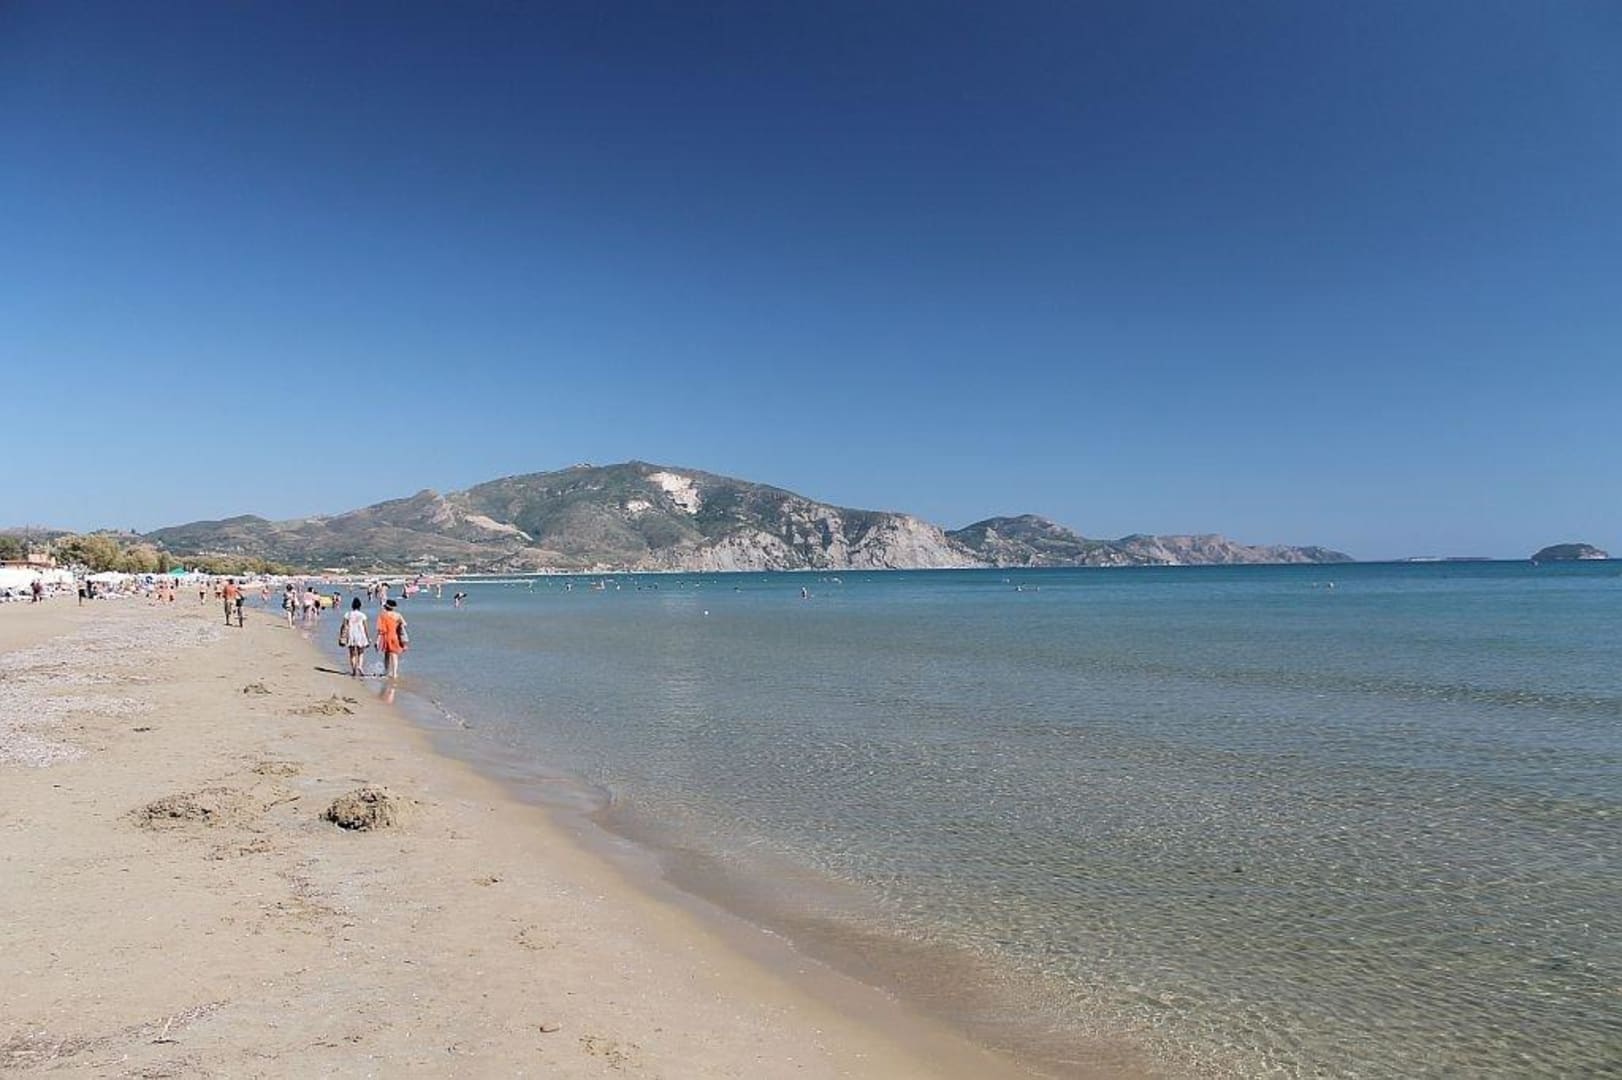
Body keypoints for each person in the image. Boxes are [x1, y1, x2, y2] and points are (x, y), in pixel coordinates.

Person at [375, 598, 408, 679]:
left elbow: (380, 630)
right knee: (394, 655)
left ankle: (386, 672)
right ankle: (394, 673)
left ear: (386, 607)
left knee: (386, 655)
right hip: (394, 636)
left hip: (386, 637)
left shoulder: (382, 615)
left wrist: (377, 641)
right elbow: (404, 624)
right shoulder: (398, 615)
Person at [340, 597, 370, 677]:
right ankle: (360, 666)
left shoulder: (347, 614)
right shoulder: (362, 615)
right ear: (360, 606)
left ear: (352, 605)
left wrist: (341, 635)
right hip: (360, 634)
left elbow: (343, 625)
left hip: (351, 634)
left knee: (352, 653)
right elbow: (365, 627)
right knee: (361, 652)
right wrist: (368, 637)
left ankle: (354, 669)